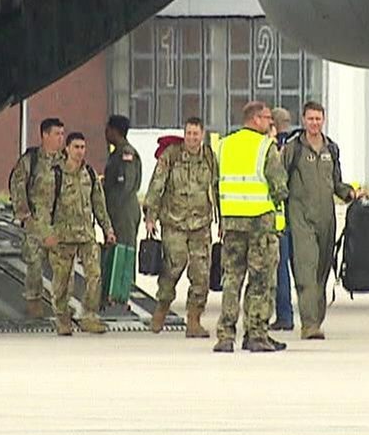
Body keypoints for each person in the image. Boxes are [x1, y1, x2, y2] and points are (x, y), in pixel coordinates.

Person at [216, 100, 290, 353]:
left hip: (232, 223)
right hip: (260, 224)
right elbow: (279, 187)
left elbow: (215, 183)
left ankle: (225, 335)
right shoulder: (265, 146)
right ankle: (256, 334)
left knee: (232, 279)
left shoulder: (224, 145)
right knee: (260, 281)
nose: (271, 123)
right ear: (255, 119)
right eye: (267, 118)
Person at [282, 100, 357, 340]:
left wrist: (350, 193)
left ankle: (317, 318)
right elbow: (280, 181)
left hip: (326, 219)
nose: (314, 123)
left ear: (323, 120)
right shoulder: (293, 148)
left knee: (322, 272)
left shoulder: (331, 149)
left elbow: (336, 183)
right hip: (300, 218)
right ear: (303, 120)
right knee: (306, 270)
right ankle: (309, 324)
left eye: (318, 119)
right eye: (310, 118)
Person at [142, 117, 217, 337]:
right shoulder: (171, 155)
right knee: (174, 265)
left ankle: (194, 319)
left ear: (202, 135)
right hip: (174, 222)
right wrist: (150, 216)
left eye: (196, 134)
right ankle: (162, 307)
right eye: (189, 133)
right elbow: (157, 185)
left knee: (201, 273)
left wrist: (222, 221)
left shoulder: (210, 158)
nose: (192, 138)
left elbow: (217, 187)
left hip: (201, 224)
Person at [43, 132, 116, 335]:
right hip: (62, 237)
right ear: (66, 148)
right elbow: (43, 207)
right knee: (62, 282)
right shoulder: (55, 175)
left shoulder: (90, 174)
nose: (80, 151)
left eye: (83, 147)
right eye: (76, 147)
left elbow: (99, 205)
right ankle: (62, 317)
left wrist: (107, 229)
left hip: (86, 235)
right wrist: (46, 233)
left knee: (95, 275)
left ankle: (89, 316)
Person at [8, 117, 66, 319]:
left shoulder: (66, 161)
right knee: (34, 264)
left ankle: (62, 305)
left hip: (58, 223)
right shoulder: (30, 160)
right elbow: (17, 186)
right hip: (35, 221)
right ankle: (34, 303)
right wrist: (24, 215)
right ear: (45, 135)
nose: (61, 138)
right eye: (57, 134)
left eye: (62, 134)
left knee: (63, 266)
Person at [102, 114, 143, 309]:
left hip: (124, 210)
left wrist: (113, 208)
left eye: (108, 128)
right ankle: (113, 293)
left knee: (125, 251)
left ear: (114, 130)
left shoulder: (126, 153)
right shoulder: (116, 153)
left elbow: (126, 185)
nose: (105, 132)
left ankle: (123, 294)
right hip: (116, 210)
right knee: (115, 251)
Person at [269, 105, 295, 332]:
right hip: (301, 216)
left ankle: (284, 315)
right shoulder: (299, 144)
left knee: (280, 269)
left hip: (280, 219)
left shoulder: (273, 147)